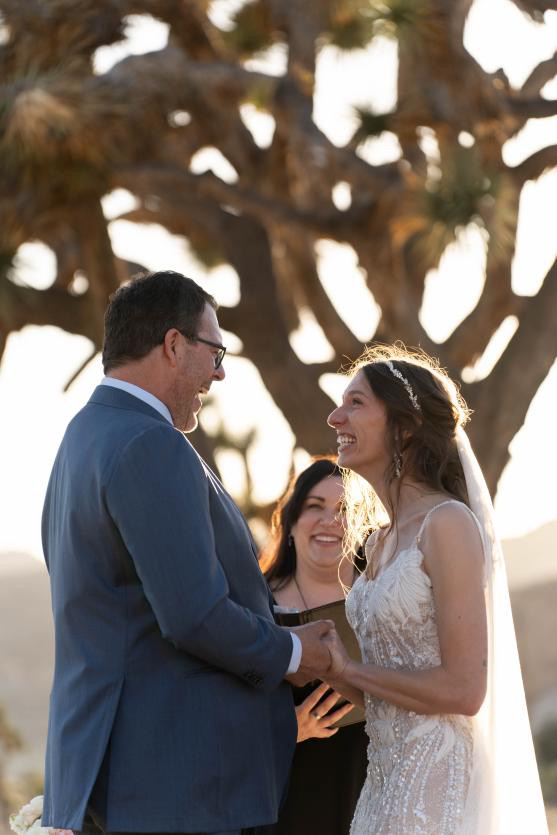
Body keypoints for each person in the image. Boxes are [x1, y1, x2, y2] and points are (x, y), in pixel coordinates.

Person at [40, 270, 334, 835]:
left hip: (111, 778)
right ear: (175, 346)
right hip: (176, 786)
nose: (219, 372)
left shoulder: (80, 440)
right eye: (215, 351)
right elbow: (194, 614)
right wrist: (294, 653)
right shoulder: (151, 444)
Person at [324, 344, 548, 834]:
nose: (334, 416)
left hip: (437, 795)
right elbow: (388, 696)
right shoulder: (379, 542)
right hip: (379, 792)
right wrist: (329, 668)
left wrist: (351, 668)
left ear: (404, 426)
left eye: (356, 403)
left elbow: (465, 690)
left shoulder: (446, 523)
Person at [262, 458, 368, 835]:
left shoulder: (385, 597)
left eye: (344, 510)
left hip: (372, 785)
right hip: (284, 798)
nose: (330, 521)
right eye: (314, 507)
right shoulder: (255, 605)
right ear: (290, 524)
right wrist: (283, 730)